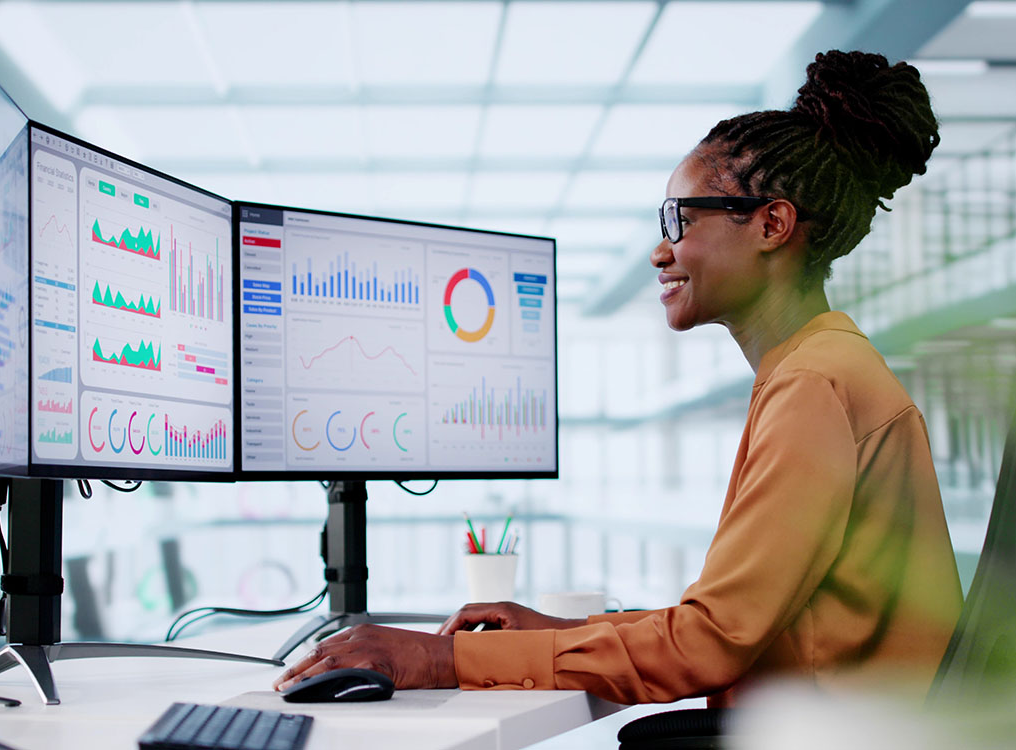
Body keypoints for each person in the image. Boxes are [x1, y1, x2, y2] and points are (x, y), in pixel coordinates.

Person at [272, 50, 963, 706]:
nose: (660, 252)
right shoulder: (825, 364)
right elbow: (729, 621)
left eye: (679, 219)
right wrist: (561, 632)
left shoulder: (814, 384)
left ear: (772, 225)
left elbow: (708, 646)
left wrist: (441, 659)